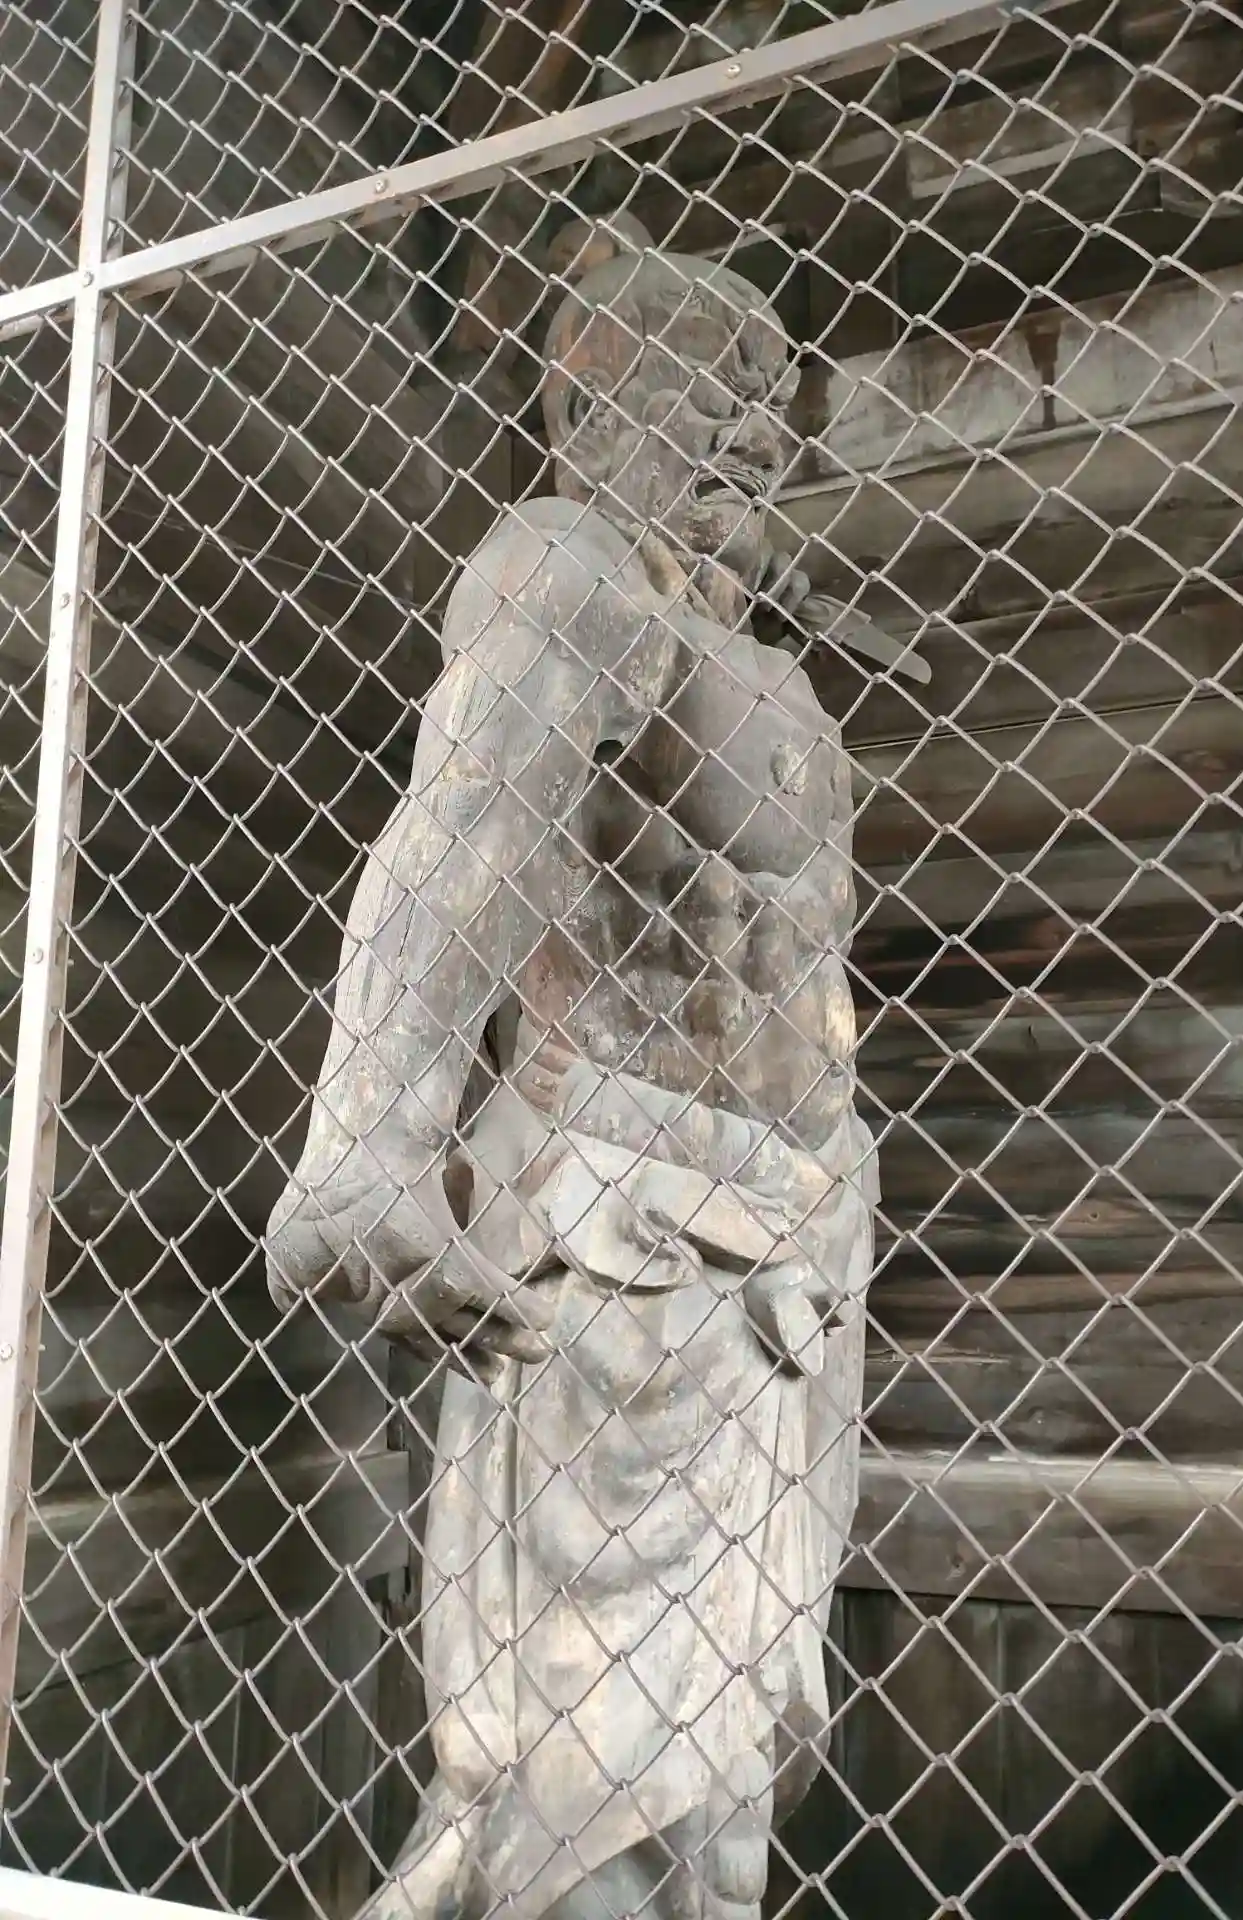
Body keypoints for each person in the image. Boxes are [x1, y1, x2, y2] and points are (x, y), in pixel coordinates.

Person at [264, 219, 892, 1920]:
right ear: (591, 412)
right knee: (594, 1794)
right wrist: (373, 1131)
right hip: (630, 1244)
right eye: (708, 377)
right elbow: (474, 803)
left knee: (723, 1788)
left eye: (772, 389)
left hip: (795, 1266)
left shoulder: (761, 663)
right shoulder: (567, 566)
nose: (754, 422)